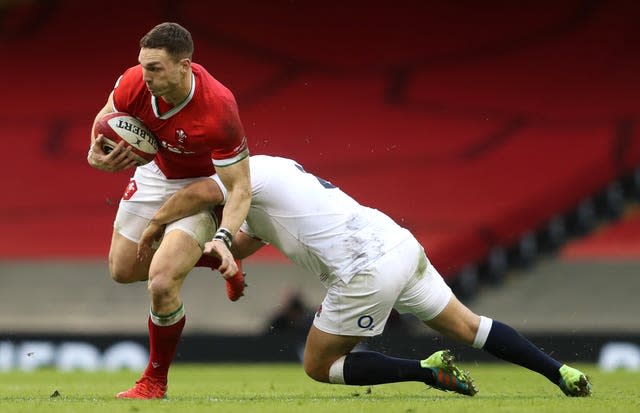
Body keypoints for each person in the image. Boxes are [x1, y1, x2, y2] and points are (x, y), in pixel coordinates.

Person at [139, 155, 593, 398]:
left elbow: (198, 191)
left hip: (363, 268)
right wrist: (194, 257)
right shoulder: (272, 179)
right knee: (468, 326)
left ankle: (425, 372)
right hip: (397, 243)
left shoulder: (245, 174)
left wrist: (156, 223)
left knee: (318, 366)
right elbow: (244, 243)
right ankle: (561, 373)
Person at [86, 22, 252, 399]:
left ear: (184, 65)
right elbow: (104, 121)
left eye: (155, 68)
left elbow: (240, 186)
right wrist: (96, 153)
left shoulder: (218, 109)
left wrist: (225, 236)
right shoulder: (134, 81)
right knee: (122, 270)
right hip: (155, 172)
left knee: (161, 282)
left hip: (202, 185)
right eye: (143, 66)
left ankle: (154, 382)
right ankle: (208, 258)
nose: (145, 76)